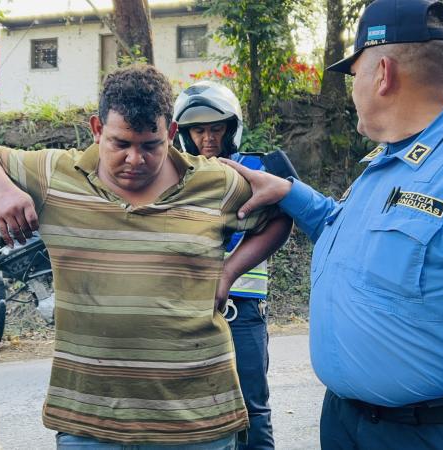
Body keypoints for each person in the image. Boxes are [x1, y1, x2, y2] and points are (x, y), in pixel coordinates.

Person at [222, 0, 443, 448]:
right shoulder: (392, 158)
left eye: (354, 74)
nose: (353, 88)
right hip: (347, 422)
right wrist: (291, 193)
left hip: (432, 431)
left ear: (382, 73)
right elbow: (346, 235)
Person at [0, 65, 292, 449]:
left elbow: (281, 214)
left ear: (169, 134)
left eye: (150, 145)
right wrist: (2, 191)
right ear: (97, 129)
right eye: (120, 144)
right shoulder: (55, 174)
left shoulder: (215, 181)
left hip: (198, 420)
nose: (135, 159)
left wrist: (230, 272)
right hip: (89, 422)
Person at [173, 80, 275, 450]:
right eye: (198, 130)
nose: (208, 138)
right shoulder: (172, 176)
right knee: (190, 412)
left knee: (252, 410)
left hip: (242, 310)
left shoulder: (259, 169)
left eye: (216, 128)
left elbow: (286, 219)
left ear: (232, 128)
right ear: (183, 133)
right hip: (186, 311)